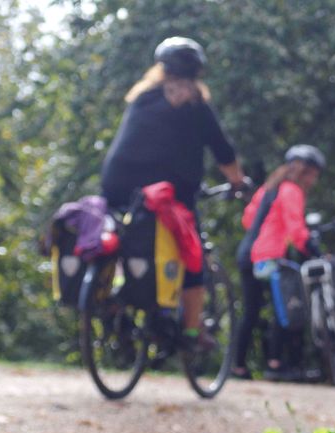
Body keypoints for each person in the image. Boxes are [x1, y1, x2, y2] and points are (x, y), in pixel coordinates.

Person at [100, 36, 246, 349]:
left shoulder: (142, 97)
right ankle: (192, 333)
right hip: (165, 194)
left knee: (129, 240)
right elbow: (222, 151)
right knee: (192, 253)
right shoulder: (195, 105)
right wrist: (237, 181)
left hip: (116, 187)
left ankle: (118, 297)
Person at [232, 145, 325, 379]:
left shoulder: (268, 188)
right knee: (284, 306)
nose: (315, 180)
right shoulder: (291, 190)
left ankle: (238, 366)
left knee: (251, 311)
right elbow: (296, 228)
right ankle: (275, 364)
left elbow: (248, 219)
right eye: (314, 174)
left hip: (247, 254)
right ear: (305, 171)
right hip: (269, 257)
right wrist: (314, 250)